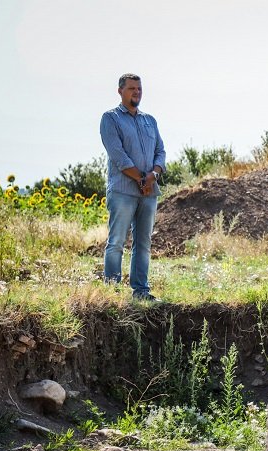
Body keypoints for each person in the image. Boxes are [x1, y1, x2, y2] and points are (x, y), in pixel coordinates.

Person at [100, 73, 166, 302]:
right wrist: (142, 179)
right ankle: (112, 293)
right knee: (116, 241)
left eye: (139, 88)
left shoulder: (150, 121)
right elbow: (118, 155)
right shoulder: (110, 119)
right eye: (131, 88)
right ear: (120, 91)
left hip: (149, 193)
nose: (136, 92)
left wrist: (153, 175)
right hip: (122, 191)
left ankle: (141, 291)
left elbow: (161, 151)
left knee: (143, 243)